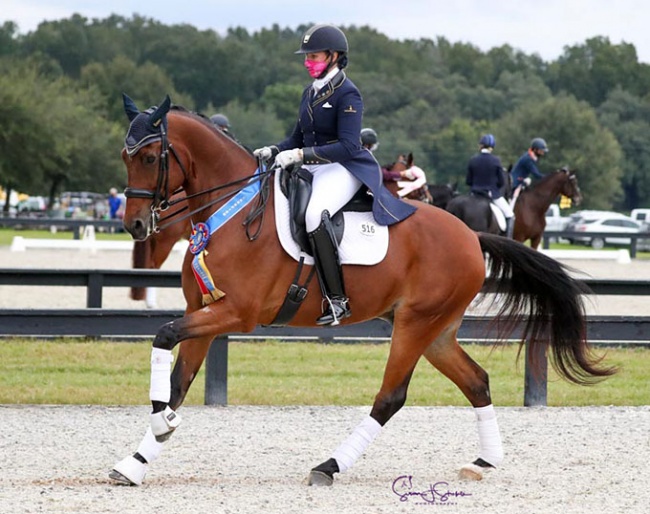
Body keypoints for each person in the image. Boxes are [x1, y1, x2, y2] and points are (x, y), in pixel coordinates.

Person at [253, 24, 416, 326]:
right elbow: (296, 138)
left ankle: (337, 299)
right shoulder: (309, 93)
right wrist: (274, 150)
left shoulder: (348, 93)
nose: (307, 62)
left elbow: (348, 145)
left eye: (313, 56)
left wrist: (301, 156)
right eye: (307, 56)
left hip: (345, 167)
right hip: (314, 166)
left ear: (334, 56)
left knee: (315, 214)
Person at [466, 134, 515, 237]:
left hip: (474, 193)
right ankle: (508, 240)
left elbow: (468, 181)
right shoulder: (496, 160)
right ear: (492, 147)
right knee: (510, 215)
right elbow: (501, 182)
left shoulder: (473, 160)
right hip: (492, 194)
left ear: (481, 146)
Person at [510, 137, 548, 202]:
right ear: (535, 150)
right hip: (515, 183)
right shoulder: (528, 159)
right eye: (541, 151)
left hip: (521, 181)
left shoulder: (530, 157)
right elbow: (537, 175)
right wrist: (550, 177)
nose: (543, 153)